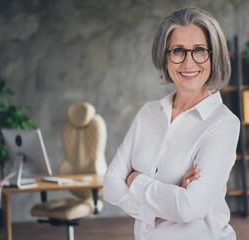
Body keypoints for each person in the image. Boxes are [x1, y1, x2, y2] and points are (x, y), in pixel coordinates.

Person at [103, 6, 240, 240]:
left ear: (213, 56)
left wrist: (135, 179)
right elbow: (110, 185)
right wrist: (156, 210)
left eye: (199, 50)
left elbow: (189, 208)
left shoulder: (223, 123)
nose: (188, 63)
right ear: (164, 57)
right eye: (178, 51)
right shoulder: (148, 114)